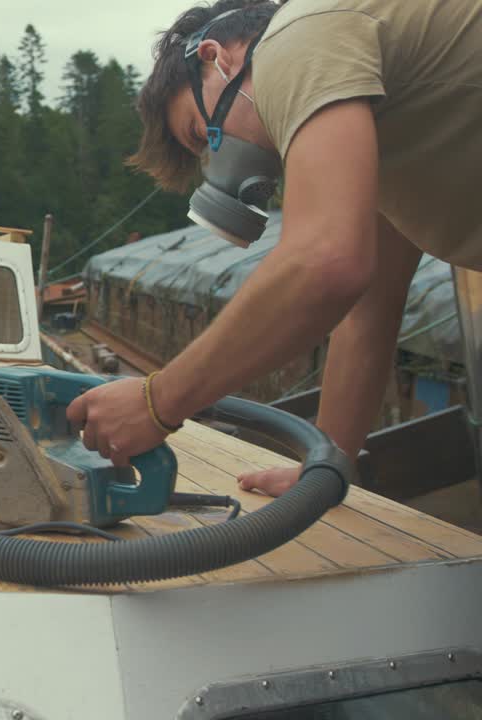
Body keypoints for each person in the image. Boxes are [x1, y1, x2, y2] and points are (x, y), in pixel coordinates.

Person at [66, 0, 482, 496]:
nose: (218, 158)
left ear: (215, 56)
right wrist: (327, 466)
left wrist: (158, 402)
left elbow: (326, 262)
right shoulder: (375, 120)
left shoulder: (297, 37)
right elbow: (367, 313)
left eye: (203, 134)